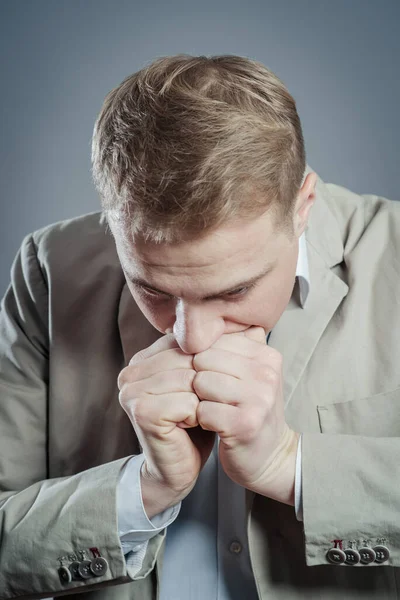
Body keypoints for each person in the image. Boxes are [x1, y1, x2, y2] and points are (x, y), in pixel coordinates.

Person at [0, 54, 399, 600]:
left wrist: (292, 464)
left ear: (301, 207)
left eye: (233, 291)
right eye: (154, 290)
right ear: (113, 221)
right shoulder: (48, 269)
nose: (193, 338)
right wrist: (139, 490)